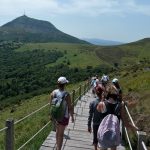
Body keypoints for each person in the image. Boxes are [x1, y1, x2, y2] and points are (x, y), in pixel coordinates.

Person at [97, 85, 139, 150]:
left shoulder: (101, 104)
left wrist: (102, 98)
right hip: (114, 134)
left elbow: (98, 110)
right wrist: (135, 128)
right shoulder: (120, 105)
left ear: (106, 94)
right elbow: (126, 123)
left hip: (103, 132)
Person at [49, 76, 74, 150]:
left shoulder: (53, 92)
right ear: (65, 84)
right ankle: (59, 148)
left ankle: (57, 147)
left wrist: (50, 115)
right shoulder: (67, 94)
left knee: (57, 132)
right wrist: (72, 116)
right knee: (61, 134)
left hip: (55, 116)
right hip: (63, 116)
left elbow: (50, 105)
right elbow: (70, 107)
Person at [87, 85, 106, 150]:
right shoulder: (106, 102)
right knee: (103, 138)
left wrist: (89, 125)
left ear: (96, 92)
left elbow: (90, 115)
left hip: (95, 122)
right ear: (102, 92)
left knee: (95, 137)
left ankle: (95, 148)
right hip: (104, 124)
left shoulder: (92, 102)